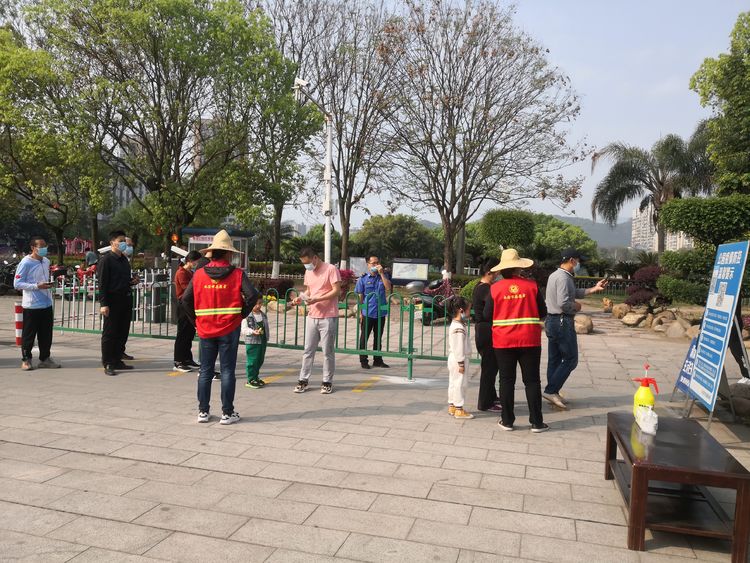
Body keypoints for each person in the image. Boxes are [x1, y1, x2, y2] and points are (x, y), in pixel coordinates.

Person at [183, 230, 258, 424]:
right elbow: (252, 296)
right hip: (229, 328)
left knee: (205, 371)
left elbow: (185, 300)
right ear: (227, 253)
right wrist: (241, 314)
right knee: (227, 371)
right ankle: (227, 413)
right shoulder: (237, 274)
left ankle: (203, 412)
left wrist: (196, 321)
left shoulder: (199, 274)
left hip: (206, 329)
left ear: (212, 253)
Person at [485, 249, 548, 432]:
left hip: (503, 341)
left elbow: (487, 315)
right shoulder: (532, 286)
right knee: (532, 381)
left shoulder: (495, 288)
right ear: (518, 268)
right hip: (530, 340)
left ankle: (507, 421)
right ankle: (537, 422)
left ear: (502, 269)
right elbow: (543, 312)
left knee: (506, 380)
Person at [543, 247, 607, 408]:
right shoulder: (563, 278)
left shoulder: (557, 275)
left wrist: (594, 288)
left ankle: (553, 392)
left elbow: (573, 292)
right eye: (578, 261)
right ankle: (551, 390)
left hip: (552, 320)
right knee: (571, 359)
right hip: (562, 321)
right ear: (572, 260)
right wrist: (576, 307)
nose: (579, 264)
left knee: (555, 359)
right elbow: (564, 303)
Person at [291, 247, 341, 394]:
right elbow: (309, 290)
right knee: (308, 350)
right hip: (312, 316)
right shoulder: (308, 272)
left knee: (327, 351)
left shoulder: (331, 269)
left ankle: (327, 381)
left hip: (328, 316)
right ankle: (303, 380)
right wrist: (301, 298)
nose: (306, 266)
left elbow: (336, 290)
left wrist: (318, 299)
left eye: (307, 262)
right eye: (303, 263)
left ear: (315, 258)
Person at [14, 237, 60, 371]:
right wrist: (36, 286)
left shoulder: (46, 261)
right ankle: (26, 359)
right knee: (29, 335)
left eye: (45, 246)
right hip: (32, 305)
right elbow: (17, 284)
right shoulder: (26, 262)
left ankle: (45, 359)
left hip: (46, 303)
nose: (44, 249)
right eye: (41, 246)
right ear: (33, 248)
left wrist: (48, 285)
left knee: (46, 334)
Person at [98, 231, 139, 376]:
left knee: (122, 331)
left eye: (124, 241)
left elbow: (122, 280)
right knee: (110, 333)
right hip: (112, 301)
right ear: (112, 243)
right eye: (120, 241)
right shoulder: (106, 260)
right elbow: (102, 284)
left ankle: (117, 359)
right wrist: (104, 304)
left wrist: (132, 282)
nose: (123, 244)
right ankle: (108, 362)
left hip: (125, 299)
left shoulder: (124, 260)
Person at [472, 257, 502, 412]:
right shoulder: (485, 289)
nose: (498, 275)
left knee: (491, 366)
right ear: (490, 272)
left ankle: (491, 396)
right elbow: (490, 310)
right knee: (489, 368)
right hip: (486, 330)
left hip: (484, 330)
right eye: (497, 272)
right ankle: (485, 403)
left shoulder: (482, 286)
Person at [355, 255, 392, 369]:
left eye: (377, 262)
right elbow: (360, 297)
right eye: (373, 263)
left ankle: (378, 360)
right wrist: (360, 313)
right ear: (368, 265)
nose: (376, 265)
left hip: (380, 312)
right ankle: (363, 360)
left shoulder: (383, 276)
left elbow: (388, 288)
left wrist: (382, 274)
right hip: (368, 312)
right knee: (364, 338)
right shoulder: (363, 279)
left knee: (378, 337)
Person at [173, 250, 202, 372]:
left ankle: (187, 359)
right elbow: (187, 290)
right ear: (190, 261)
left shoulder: (190, 272)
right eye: (196, 261)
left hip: (190, 305)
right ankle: (178, 361)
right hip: (183, 305)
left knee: (189, 333)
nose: (197, 264)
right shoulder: (181, 273)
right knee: (182, 334)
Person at [447, 296, 474, 419]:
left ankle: (452, 405)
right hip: (459, 359)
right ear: (461, 310)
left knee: (453, 382)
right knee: (460, 383)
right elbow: (459, 348)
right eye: (468, 309)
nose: (470, 312)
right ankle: (459, 408)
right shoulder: (458, 327)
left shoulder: (455, 324)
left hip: (455, 358)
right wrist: (461, 363)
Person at [243, 298, 269, 389]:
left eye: (260, 303)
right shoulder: (247, 316)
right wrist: (252, 331)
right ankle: (250, 379)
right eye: (255, 304)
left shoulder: (263, 314)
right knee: (252, 360)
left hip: (262, 340)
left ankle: (255, 377)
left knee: (260, 359)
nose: (258, 306)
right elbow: (244, 329)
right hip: (252, 341)